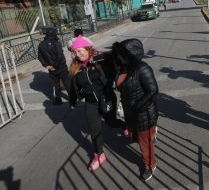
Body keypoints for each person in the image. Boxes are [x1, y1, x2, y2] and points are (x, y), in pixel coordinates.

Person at [112, 38, 159, 182]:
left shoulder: (143, 68)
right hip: (130, 112)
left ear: (132, 54)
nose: (119, 56)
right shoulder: (123, 67)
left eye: (122, 54)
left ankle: (150, 165)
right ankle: (152, 134)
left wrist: (138, 106)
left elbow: (153, 91)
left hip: (143, 113)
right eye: (118, 54)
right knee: (135, 137)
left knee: (144, 143)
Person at [69, 35, 109, 171]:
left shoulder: (98, 62)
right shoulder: (75, 68)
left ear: (88, 49)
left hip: (105, 99)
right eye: (75, 52)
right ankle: (99, 155)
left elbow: (109, 78)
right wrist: (73, 101)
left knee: (112, 122)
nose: (78, 54)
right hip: (91, 104)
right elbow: (73, 87)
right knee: (94, 131)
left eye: (80, 50)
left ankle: (130, 129)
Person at [38, 27, 70, 105]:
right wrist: (54, 65)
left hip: (51, 68)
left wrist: (47, 65)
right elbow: (59, 55)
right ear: (53, 33)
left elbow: (40, 56)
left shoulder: (41, 44)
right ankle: (72, 97)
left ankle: (58, 99)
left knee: (55, 83)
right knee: (67, 82)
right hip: (60, 66)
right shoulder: (56, 42)